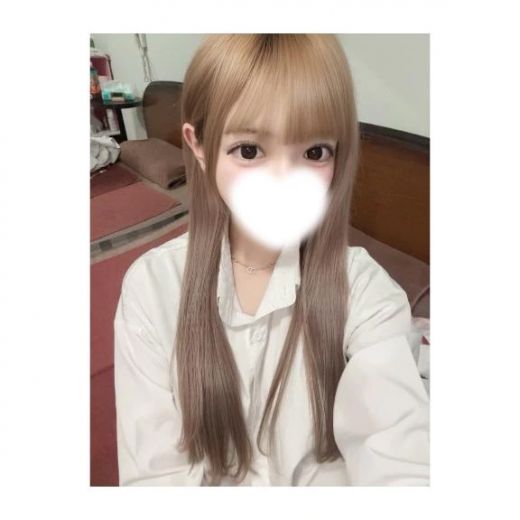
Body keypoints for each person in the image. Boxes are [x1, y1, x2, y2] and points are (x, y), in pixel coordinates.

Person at [113, 34, 430, 486]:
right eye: (249, 150)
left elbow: (400, 455)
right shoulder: (152, 288)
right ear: (199, 145)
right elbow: (152, 479)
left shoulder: (365, 291)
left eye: (314, 152)